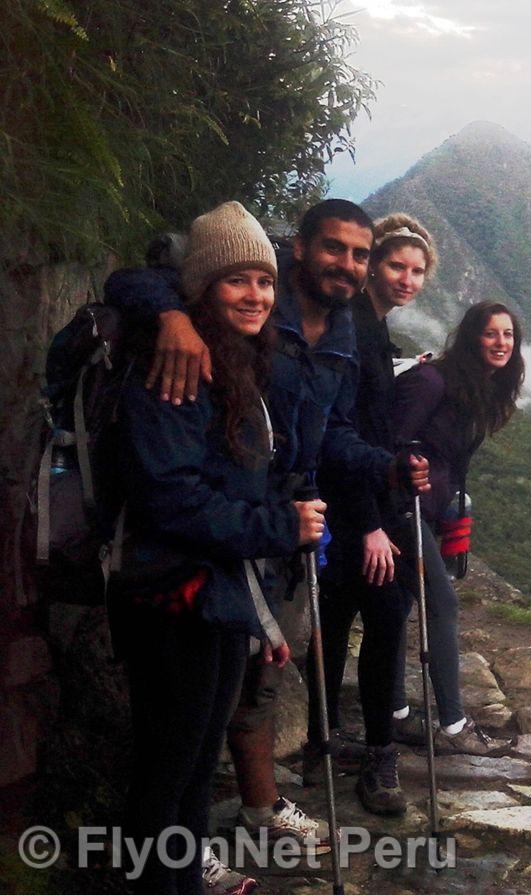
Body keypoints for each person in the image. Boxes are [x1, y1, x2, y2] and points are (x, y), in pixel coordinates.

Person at [104, 199, 429, 881]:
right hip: (192, 573)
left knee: (214, 733)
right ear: (300, 247)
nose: (347, 264)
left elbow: (324, 435)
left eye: (359, 254)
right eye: (334, 248)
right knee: (177, 752)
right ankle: (174, 859)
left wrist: (385, 469)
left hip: (245, 561)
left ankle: (197, 855)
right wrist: (170, 318)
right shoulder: (188, 358)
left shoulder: (319, 338)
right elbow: (175, 496)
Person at [107, 202, 326, 895]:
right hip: (172, 597)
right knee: (168, 766)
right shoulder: (174, 367)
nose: (255, 295)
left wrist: (259, 611)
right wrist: (282, 528)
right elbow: (172, 500)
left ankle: (184, 881)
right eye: (236, 280)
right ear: (202, 288)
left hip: (215, 594)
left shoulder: (235, 363)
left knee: (198, 762)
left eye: (264, 281)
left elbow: (228, 488)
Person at [307, 214, 436, 815]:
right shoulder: (354, 328)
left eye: (417, 271)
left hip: (356, 497)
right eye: (395, 265)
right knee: (384, 622)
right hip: (354, 507)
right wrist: (369, 525)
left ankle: (322, 742)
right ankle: (377, 755)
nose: (406, 279)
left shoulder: (370, 327)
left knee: (335, 624)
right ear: (373, 267)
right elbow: (341, 430)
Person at [389, 301, 525, 754]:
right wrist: (407, 472)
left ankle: (394, 713)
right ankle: (453, 724)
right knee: (442, 603)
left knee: (400, 604)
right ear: (471, 337)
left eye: (508, 335)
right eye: (491, 333)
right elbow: (391, 442)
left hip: (430, 509)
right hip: (399, 507)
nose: (501, 343)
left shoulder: (476, 389)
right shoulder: (432, 381)